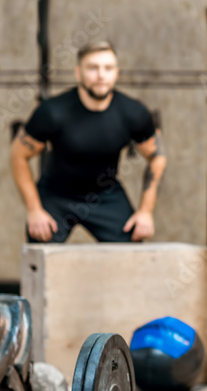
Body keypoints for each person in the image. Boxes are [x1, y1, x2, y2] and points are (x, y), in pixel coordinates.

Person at [9, 41, 166, 243]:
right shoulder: (52, 112)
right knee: (41, 254)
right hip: (56, 196)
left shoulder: (133, 113)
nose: (101, 75)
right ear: (78, 73)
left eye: (108, 68)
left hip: (106, 196)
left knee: (131, 251)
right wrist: (34, 209)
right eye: (93, 68)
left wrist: (145, 211)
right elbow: (18, 156)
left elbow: (157, 157)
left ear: (116, 73)